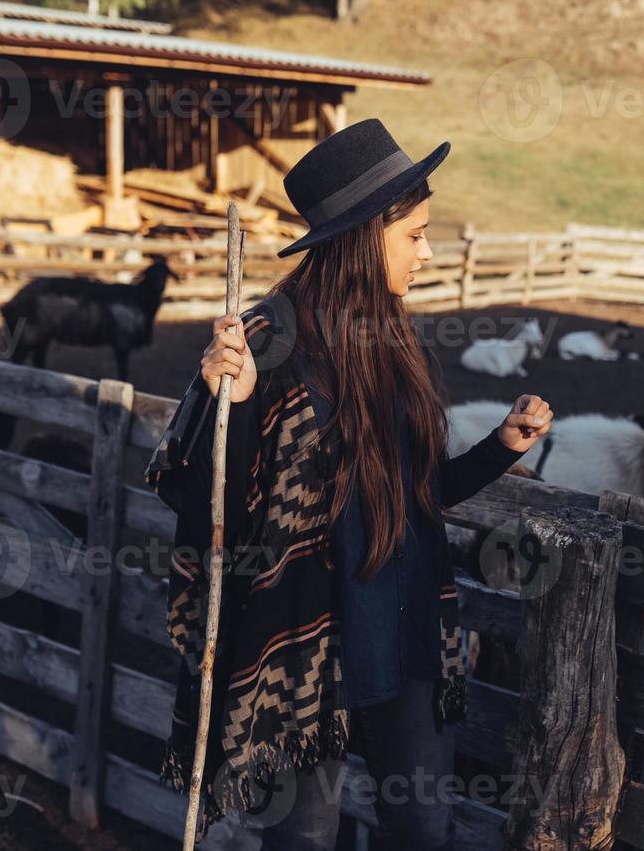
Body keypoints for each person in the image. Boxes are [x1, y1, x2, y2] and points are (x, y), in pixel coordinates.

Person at [143, 119, 553, 851]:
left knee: (421, 828)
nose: (428, 253)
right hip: (301, 644)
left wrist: (499, 448)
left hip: (403, 629)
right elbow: (212, 507)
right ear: (366, 237)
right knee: (302, 841)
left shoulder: (395, 340)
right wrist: (229, 406)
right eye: (415, 236)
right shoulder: (266, 340)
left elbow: (414, 497)